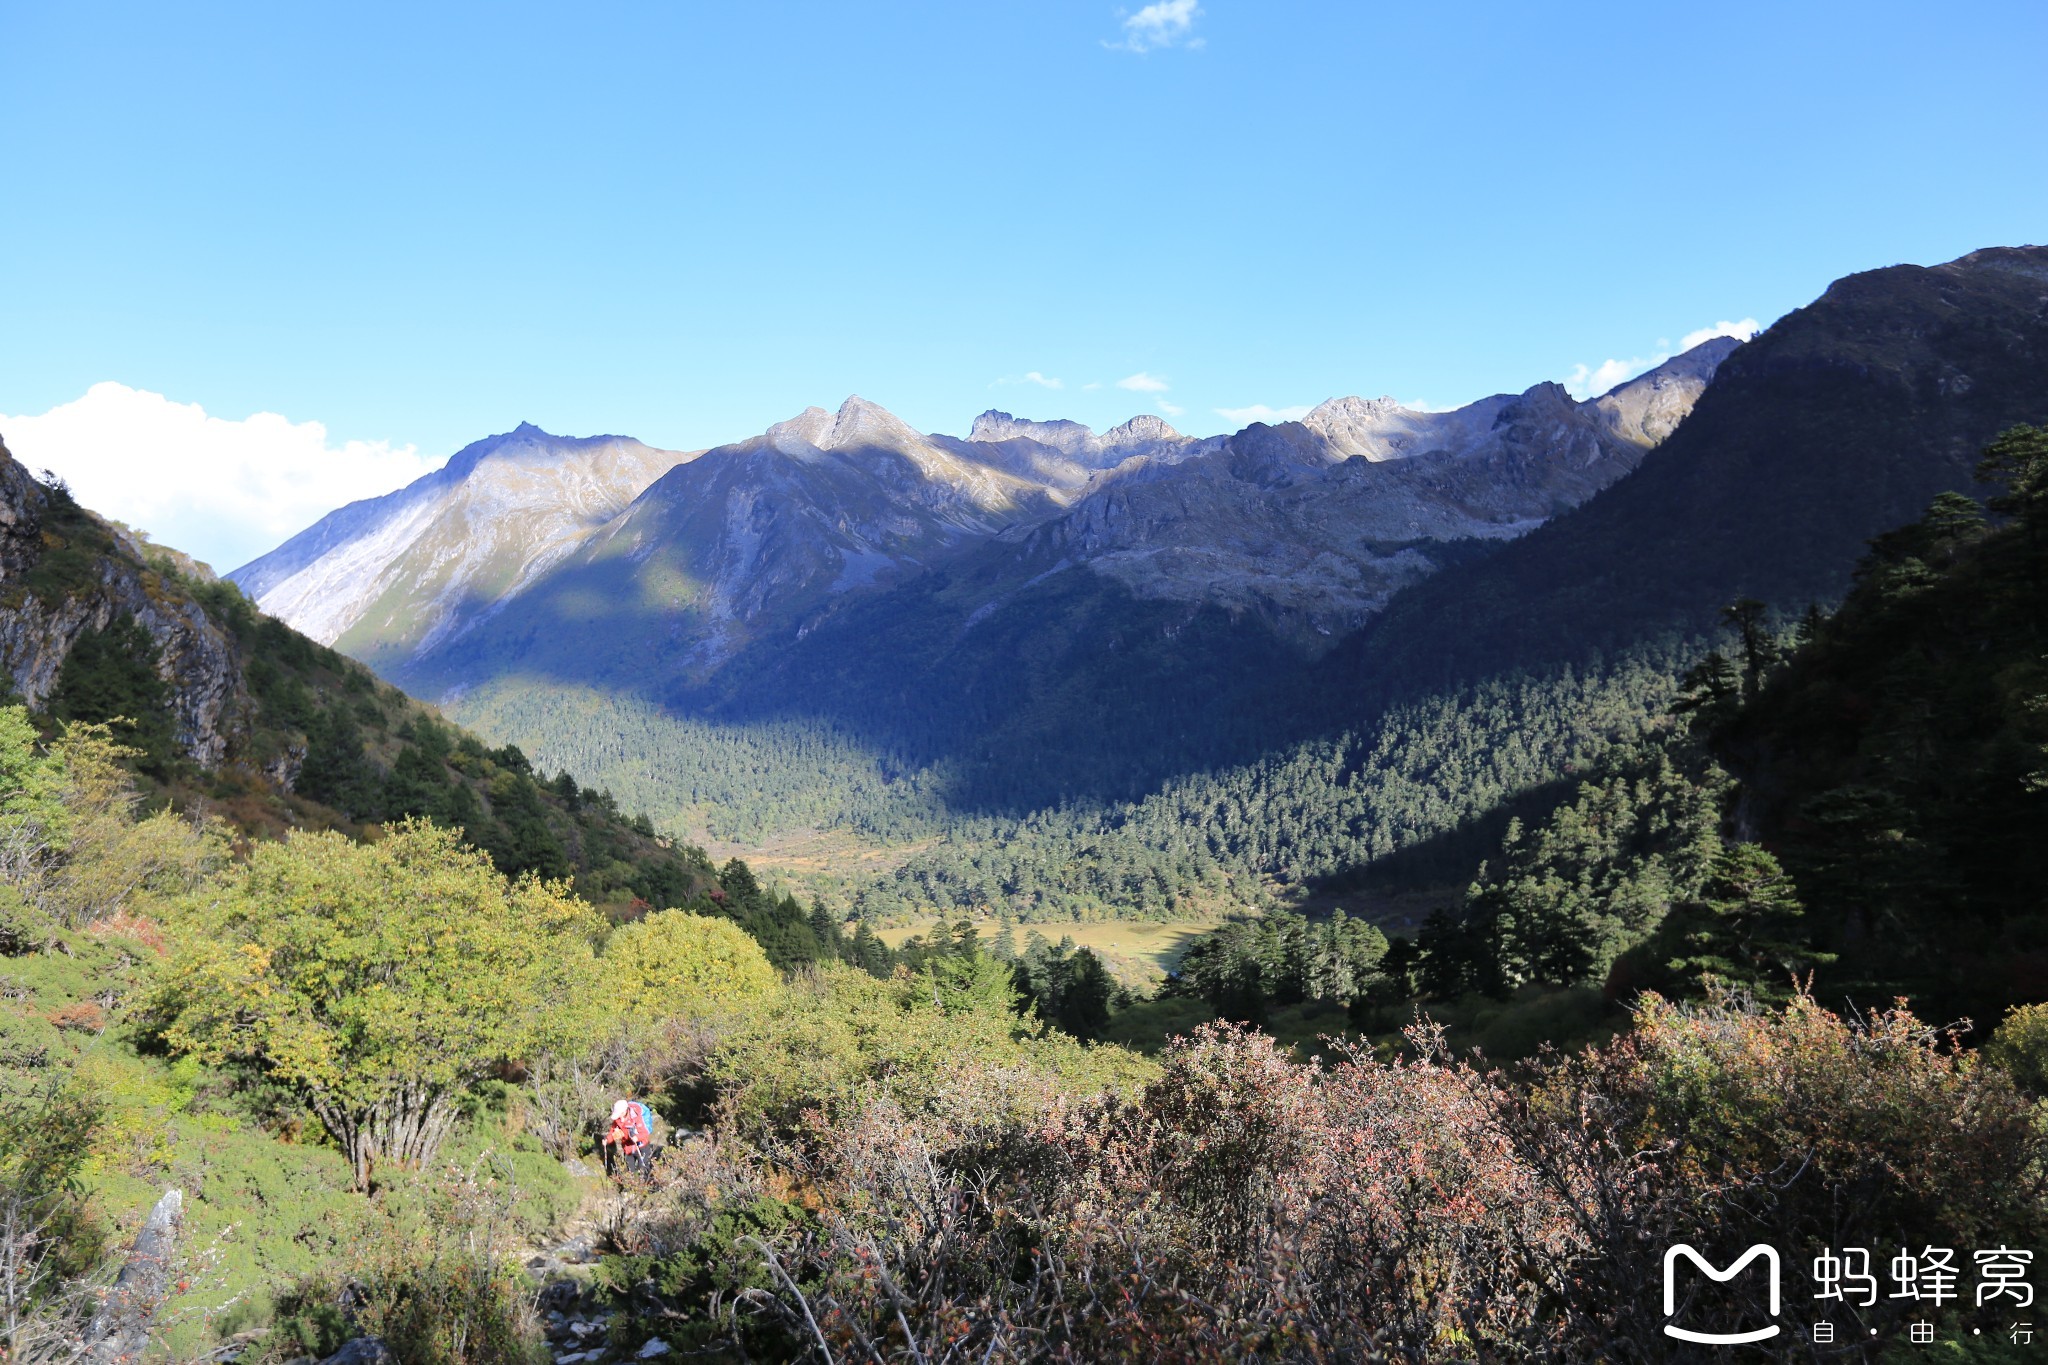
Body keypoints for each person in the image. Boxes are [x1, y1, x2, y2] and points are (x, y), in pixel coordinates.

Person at [603, 1098, 654, 1179]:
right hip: (627, 1148)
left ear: (624, 1112)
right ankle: (630, 1188)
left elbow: (645, 1132)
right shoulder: (617, 1120)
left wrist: (637, 1137)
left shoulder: (637, 1117)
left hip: (641, 1147)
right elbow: (613, 1132)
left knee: (643, 1169)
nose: (618, 1117)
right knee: (630, 1171)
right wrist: (607, 1140)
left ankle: (644, 1187)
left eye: (619, 1114)